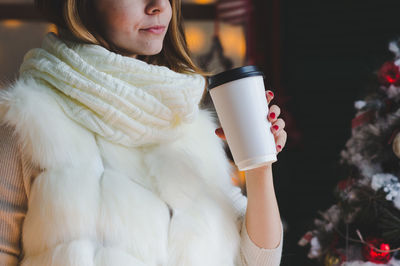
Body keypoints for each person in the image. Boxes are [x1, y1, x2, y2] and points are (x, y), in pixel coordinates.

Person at [0, 0, 287, 265]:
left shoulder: (185, 123)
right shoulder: (29, 118)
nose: (158, 6)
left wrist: (260, 166)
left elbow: (259, 261)